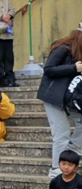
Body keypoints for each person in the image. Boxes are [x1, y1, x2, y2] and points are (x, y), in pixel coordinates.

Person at [37, 23, 82, 178]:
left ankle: (73, 150)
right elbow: (48, 69)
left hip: (70, 98)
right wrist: (73, 68)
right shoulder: (63, 48)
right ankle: (56, 168)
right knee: (61, 133)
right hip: (53, 96)